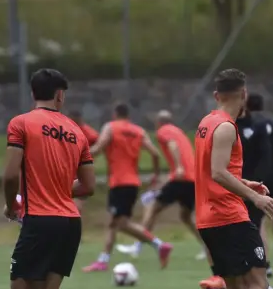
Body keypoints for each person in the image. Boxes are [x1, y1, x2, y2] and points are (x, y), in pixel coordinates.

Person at [4, 69, 101, 289]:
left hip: (41, 220)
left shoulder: (21, 124)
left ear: (34, 93)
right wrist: (59, 188)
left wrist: (11, 204)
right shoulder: (77, 131)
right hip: (70, 221)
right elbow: (88, 186)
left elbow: (9, 174)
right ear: (60, 95)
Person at [195, 68, 273, 289]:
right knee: (259, 280)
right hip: (229, 215)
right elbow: (219, 173)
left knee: (234, 288)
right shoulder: (226, 128)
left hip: (208, 219)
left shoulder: (207, 123)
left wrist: (249, 183)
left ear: (216, 95)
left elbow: (214, 171)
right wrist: (254, 197)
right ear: (244, 94)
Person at [82, 103, 173, 272]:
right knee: (113, 223)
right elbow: (155, 153)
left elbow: (99, 147)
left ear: (115, 114)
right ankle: (103, 260)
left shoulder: (110, 127)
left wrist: (79, 158)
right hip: (132, 182)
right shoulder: (138, 131)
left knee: (121, 224)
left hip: (119, 182)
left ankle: (159, 245)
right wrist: (155, 175)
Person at [116, 110, 210, 262]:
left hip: (182, 178)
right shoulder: (178, 131)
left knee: (152, 207)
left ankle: (138, 245)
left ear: (158, 122)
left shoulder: (163, 131)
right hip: (192, 179)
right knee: (185, 216)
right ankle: (208, 247)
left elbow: (173, 146)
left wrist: (178, 167)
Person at [236, 94, 273, 261]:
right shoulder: (272, 122)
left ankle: (263, 262)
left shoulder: (240, 125)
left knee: (257, 220)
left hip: (250, 179)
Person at [69, 110, 100, 214]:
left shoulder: (89, 133)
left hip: (80, 175)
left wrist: (86, 158)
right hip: (67, 173)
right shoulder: (66, 129)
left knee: (76, 206)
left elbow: (98, 145)